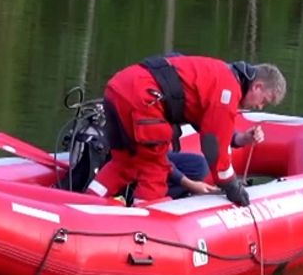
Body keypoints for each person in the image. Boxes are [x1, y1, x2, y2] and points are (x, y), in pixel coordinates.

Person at [87, 54, 285, 207]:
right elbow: (215, 148)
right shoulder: (227, 91)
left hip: (119, 87)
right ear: (257, 86)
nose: (260, 107)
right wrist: (232, 187)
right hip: (144, 99)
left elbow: (207, 126)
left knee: (124, 162)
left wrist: (239, 139)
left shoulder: (217, 73)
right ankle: (144, 226)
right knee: (154, 169)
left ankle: (85, 203)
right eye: (263, 101)